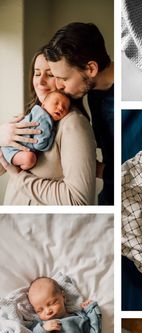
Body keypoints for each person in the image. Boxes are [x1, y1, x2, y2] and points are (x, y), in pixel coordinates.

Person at [0, 47, 96, 205]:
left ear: (62, 78)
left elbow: (78, 201)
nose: (40, 81)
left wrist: (19, 177)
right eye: (37, 73)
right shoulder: (26, 119)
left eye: (50, 74)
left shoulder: (73, 125)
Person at [43, 22, 114, 205]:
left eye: (64, 78)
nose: (58, 85)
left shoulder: (126, 99)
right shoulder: (92, 93)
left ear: (91, 68)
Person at [1, 90, 70, 170]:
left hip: (9, 145)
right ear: (43, 105)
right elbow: (40, 145)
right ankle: (21, 171)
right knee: (30, 159)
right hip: (13, 149)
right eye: (56, 103)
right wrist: (52, 135)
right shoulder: (44, 119)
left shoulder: (36, 113)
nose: (61, 108)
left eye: (65, 107)